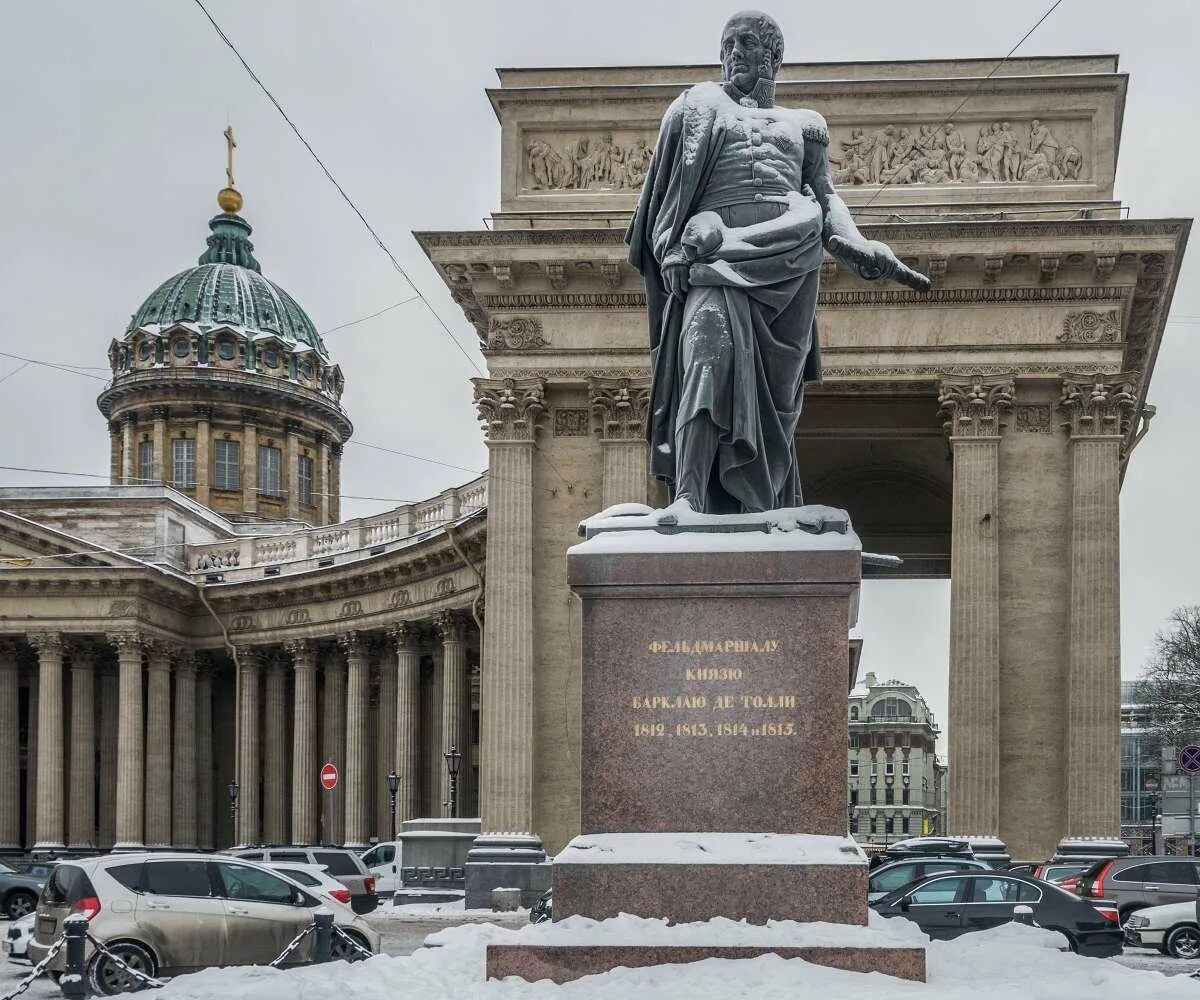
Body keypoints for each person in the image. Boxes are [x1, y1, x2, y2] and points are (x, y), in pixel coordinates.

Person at [626, 9, 928, 516]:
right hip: (713, 260)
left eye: (744, 42)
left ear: (774, 56)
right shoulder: (696, 106)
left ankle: (757, 505)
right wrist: (673, 246)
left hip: (788, 269)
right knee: (706, 353)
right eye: (726, 45)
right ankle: (688, 495)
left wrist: (856, 244)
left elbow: (826, 197)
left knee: (775, 409)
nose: (732, 53)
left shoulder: (805, 125)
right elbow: (662, 199)